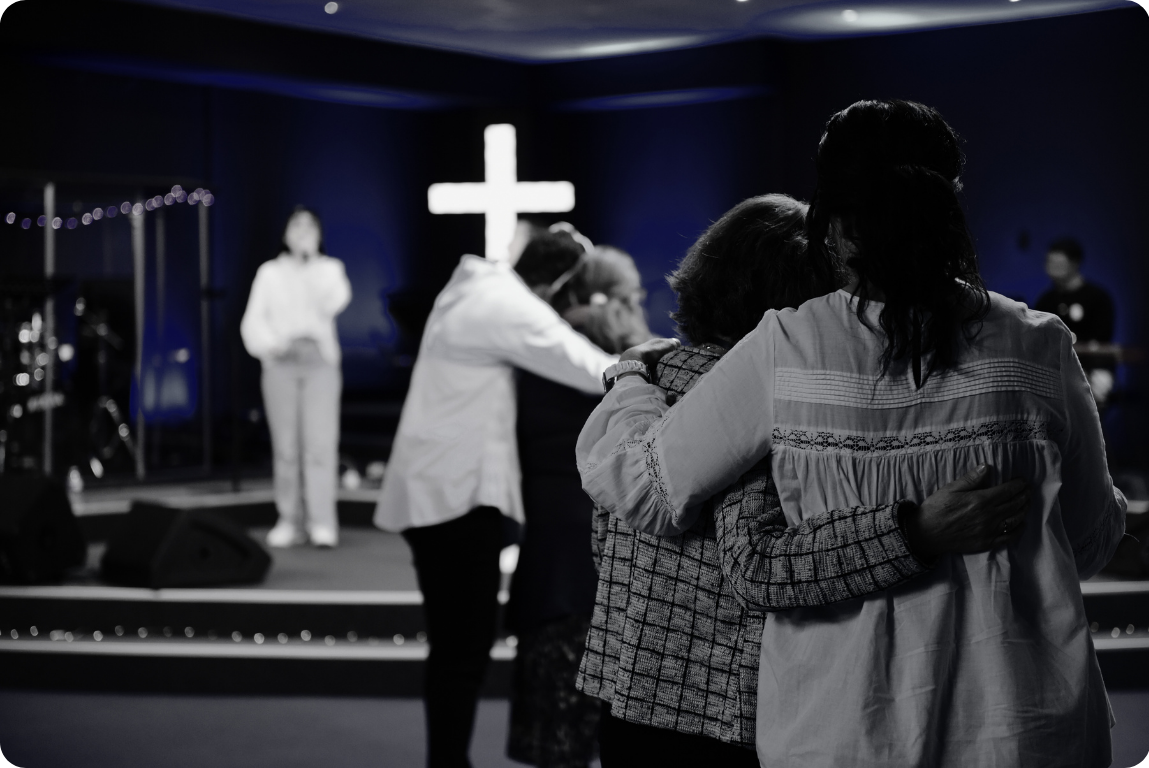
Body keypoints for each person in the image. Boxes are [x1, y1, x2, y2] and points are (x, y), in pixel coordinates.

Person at [578, 100, 1126, 767]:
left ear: (834, 225)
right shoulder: (1037, 345)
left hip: (848, 727)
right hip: (1024, 724)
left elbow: (644, 489)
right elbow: (1091, 539)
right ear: (948, 205)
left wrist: (633, 381)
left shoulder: (788, 345)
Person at [375, 228, 617, 768]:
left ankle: (447, 760)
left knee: (456, 646)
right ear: (556, 283)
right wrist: (642, 360)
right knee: (463, 647)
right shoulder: (501, 303)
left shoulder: (475, 291)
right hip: (455, 501)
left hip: (441, 495)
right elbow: (588, 365)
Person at [506, 242, 651, 768]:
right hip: (596, 560)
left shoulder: (542, 353)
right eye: (633, 296)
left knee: (554, 738)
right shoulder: (623, 368)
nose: (640, 306)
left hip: (549, 556)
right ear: (609, 301)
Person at [240, 206, 351, 548]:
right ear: (285, 233)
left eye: (310, 226)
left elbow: (333, 302)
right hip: (281, 362)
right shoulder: (269, 273)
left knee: (319, 444)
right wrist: (274, 346)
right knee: (286, 448)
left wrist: (310, 262)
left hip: (318, 361)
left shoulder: (330, 269)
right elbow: (252, 322)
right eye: (296, 225)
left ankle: (321, 522)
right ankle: (290, 519)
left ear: (319, 234)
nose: (302, 232)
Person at [1035, 237, 1117, 404]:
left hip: (1094, 368)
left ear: (1074, 264)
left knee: (1094, 392)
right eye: (1049, 262)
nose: (1051, 268)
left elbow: (1101, 340)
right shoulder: (1045, 300)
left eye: (1058, 263)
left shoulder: (1098, 298)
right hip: (1054, 368)